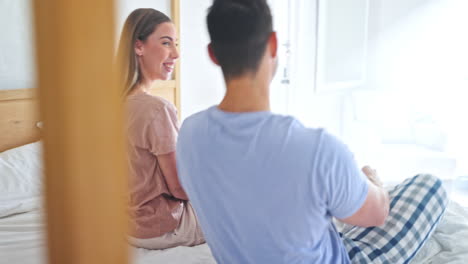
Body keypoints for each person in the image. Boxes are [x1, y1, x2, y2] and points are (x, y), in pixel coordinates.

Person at [176, 0, 448, 263]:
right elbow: (378, 214)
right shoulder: (318, 150)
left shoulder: (189, 136)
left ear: (213, 54)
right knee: (429, 185)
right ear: (272, 44)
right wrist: (372, 181)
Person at [116, 8, 204, 250]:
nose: (176, 54)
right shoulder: (157, 109)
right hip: (161, 226)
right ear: (139, 46)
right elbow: (179, 189)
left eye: (175, 44)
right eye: (166, 43)